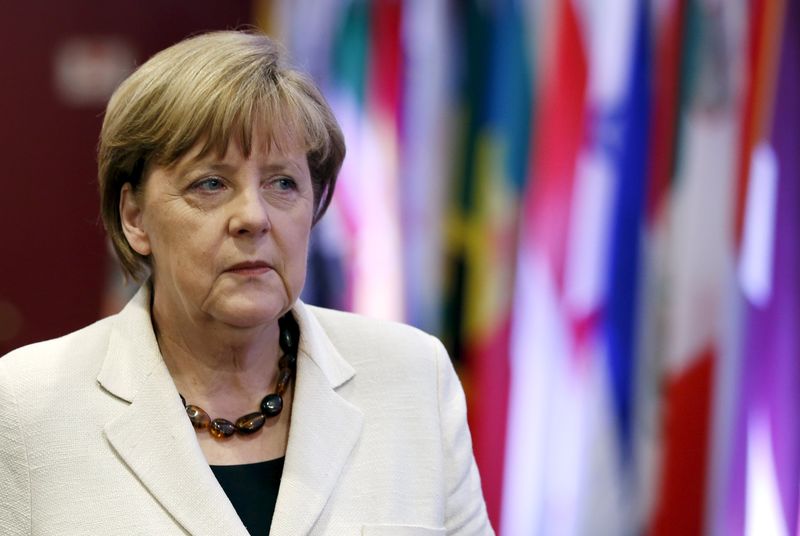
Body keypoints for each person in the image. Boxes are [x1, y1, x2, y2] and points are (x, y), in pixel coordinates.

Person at [0, 31, 492, 535]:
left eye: (283, 183)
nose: (253, 218)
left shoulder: (413, 378)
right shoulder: (26, 404)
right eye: (210, 184)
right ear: (135, 218)